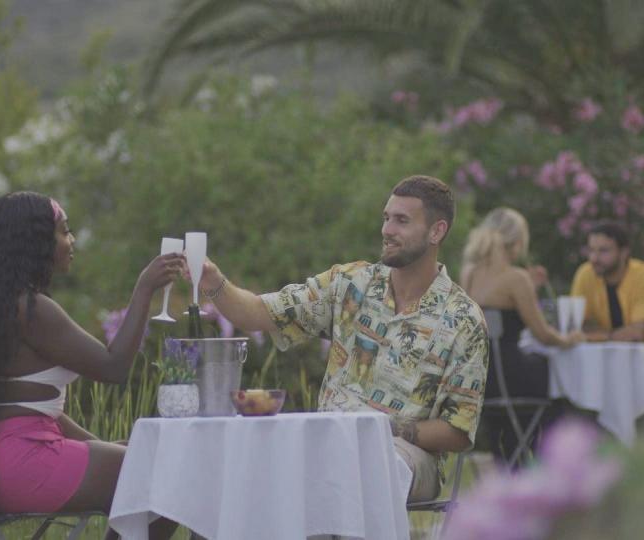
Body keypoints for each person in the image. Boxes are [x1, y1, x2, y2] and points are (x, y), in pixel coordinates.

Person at [188, 175, 489, 502]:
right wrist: (214, 283)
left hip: (407, 453)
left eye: (402, 220)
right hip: (327, 440)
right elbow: (259, 313)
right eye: (386, 218)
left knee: (356, 465)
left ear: (436, 231)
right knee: (249, 462)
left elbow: (458, 430)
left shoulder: (463, 319)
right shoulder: (349, 283)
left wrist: (384, 429)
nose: (387, 229)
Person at [0, 192, 182, 540]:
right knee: (170, 475)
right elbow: (113, 368)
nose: (71, 240)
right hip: (25, 466)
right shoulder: (34, 309)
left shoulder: (0, 304)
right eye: (64, 231)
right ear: (37, 243)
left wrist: (101, 446)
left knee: (147, 462)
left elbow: (37, 410)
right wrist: (144, 288)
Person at [459, 207, 583, 461]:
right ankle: (549, 460)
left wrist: (530, 287)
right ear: (516, 243)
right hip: (511, 376)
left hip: (480, 378)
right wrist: (568, 339)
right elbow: (543, 334)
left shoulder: (469, 273)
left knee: (526, 393)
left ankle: (508, 459)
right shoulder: (516, 278)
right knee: (555, 382)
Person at [570, 220, 644, 388]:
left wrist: (599, 335)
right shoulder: (586, 274)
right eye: (591, 250)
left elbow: (637, 334)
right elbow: (577, 324)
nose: (594, 258)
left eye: (603, 251)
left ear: (624, 252)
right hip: (603, 367)